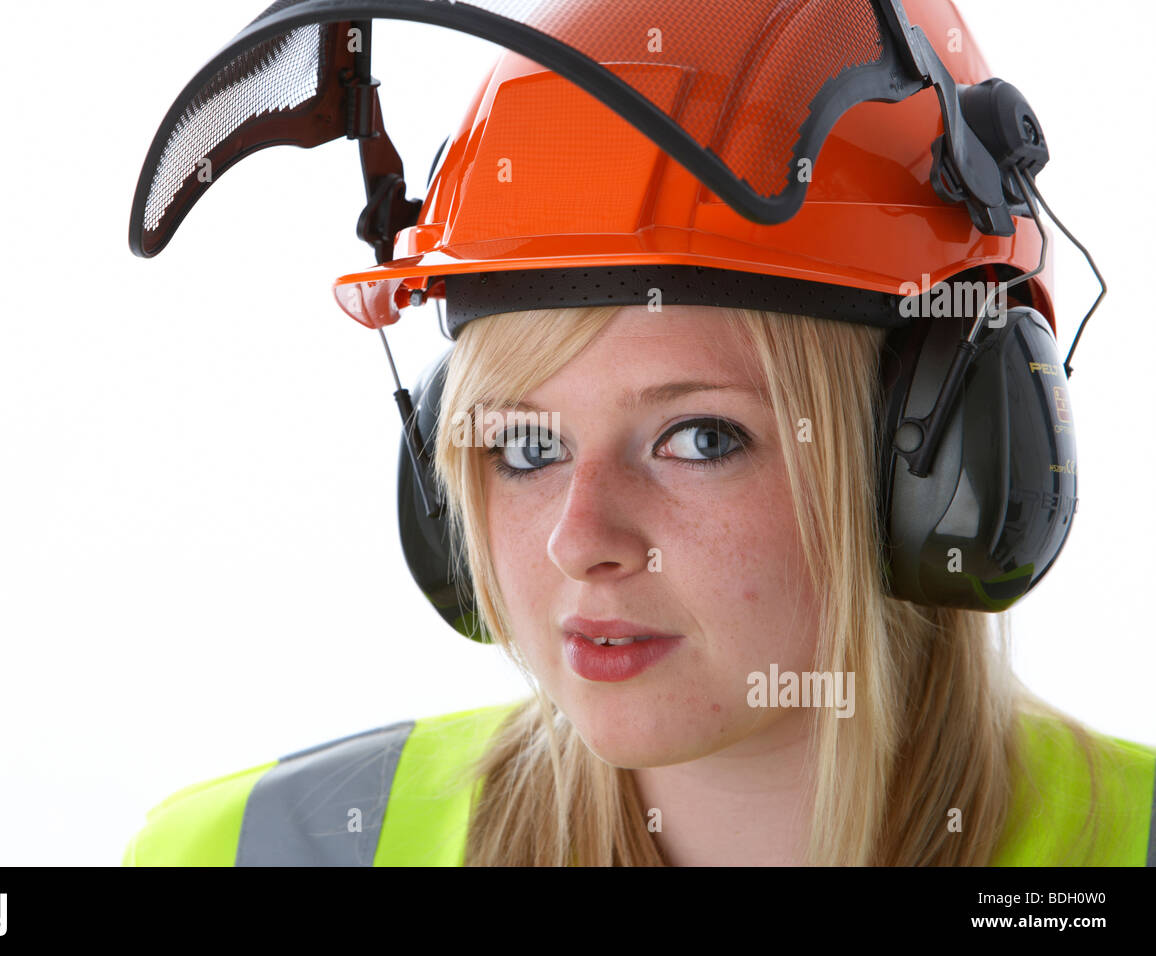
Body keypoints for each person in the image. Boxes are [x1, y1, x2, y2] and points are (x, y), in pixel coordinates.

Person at [121, 0, 1155, 865]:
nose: (580, 538)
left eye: (699, 437)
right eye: (524, 446)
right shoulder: (243, 853)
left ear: (943, 469)